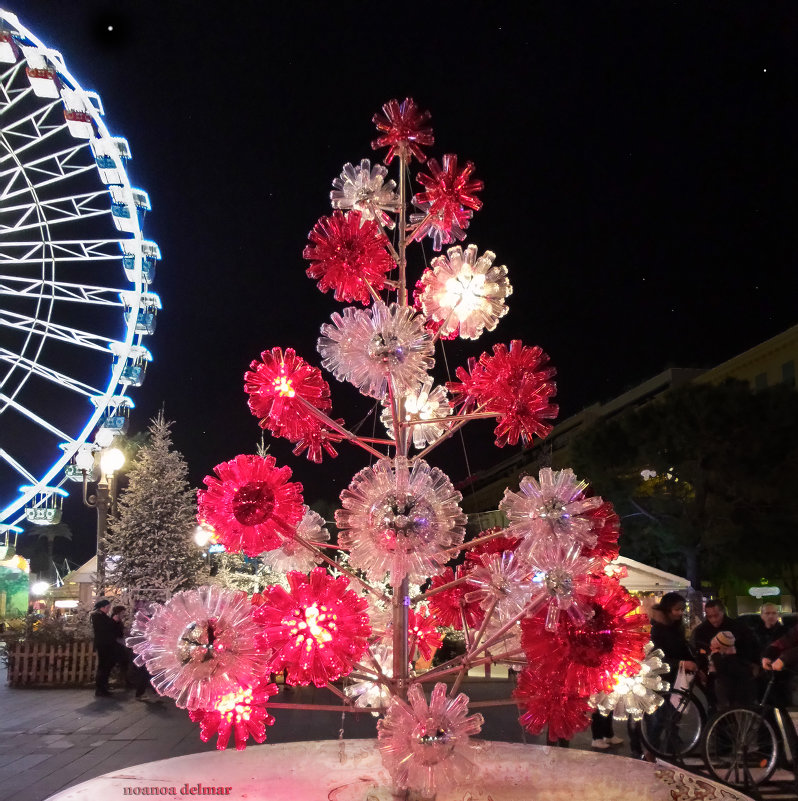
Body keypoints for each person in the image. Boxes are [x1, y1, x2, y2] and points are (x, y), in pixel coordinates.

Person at [643, 593, 697, 759]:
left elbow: (682, 648)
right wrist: (681, 663)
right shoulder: (657, 628)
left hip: (675, 677)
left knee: (672, 715)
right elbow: (656, 656)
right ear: (667, 609)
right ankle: (651, 751)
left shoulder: (675, 626)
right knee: (659, 717)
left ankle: (667, 750)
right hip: (659, 678)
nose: (680, 613)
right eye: (677, 609)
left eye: (682, 609)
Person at [691, 600, 758, 711]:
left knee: (740, 706)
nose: (714, 620)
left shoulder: (737, 627)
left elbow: (750, 648)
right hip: (715, 676)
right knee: (718, 706)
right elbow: (698, 652)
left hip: (738, 674)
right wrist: (700, 669)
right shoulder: (701, 631)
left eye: (716, 615)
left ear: (723, 612)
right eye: (710, 616)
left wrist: (753, 664)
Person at [751, 603, 791, 708]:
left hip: (781, 674)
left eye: (773, 613)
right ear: (762, 615)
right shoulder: (755, 633)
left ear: (778, 615)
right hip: (761, 674)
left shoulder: (786, 632)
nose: (771, 616)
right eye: (767, 613)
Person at [90, 599, 118, 697]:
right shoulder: (97, 616)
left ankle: (104, 686)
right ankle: (100, 688)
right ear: (103, 607)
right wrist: (113, 621)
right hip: (103, 644)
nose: (108, 609)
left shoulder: (102, 616)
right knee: (103, 666)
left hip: (107, 644)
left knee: (107, 665)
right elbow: (104, 628)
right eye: (107, 607)